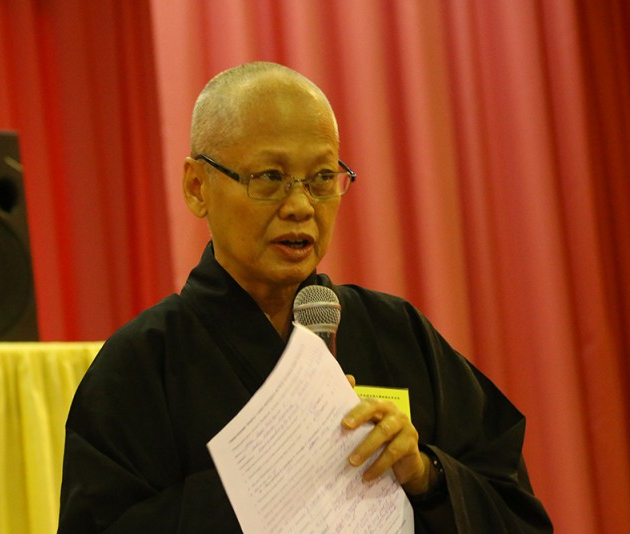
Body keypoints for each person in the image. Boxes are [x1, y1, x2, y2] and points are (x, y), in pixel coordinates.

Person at [58, 61, 552, 533]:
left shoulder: (396, 332)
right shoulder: (142, 364)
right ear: (197, 187)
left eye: (321, 179)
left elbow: (515, 510)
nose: (300, 206)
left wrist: (426, 475)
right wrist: (277, 469)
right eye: (269, 178)